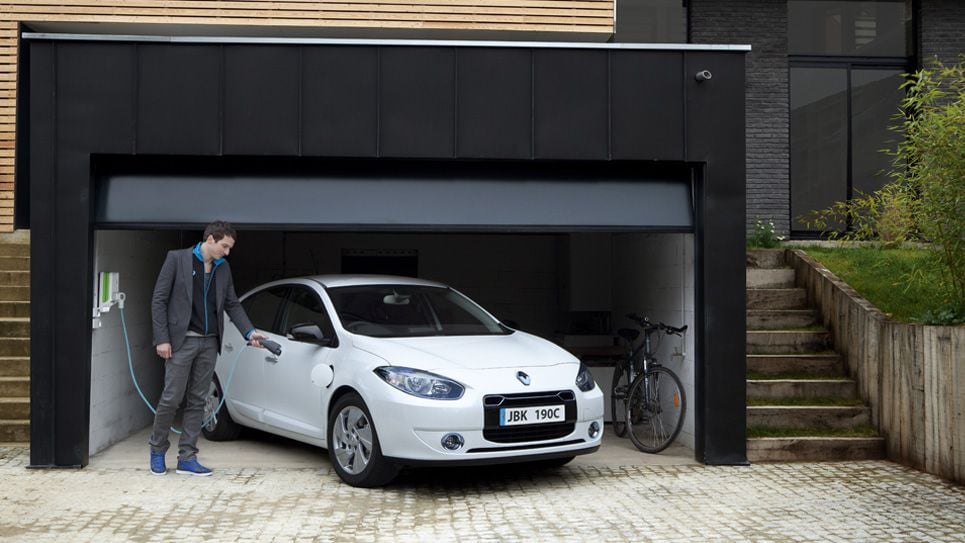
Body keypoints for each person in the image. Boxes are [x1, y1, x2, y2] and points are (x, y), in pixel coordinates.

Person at [149, 220, 266, 476]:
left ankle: (187, 458)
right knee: (171, 398)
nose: (227, 252)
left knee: (198, 400)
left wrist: (249, 331)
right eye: (224, 246)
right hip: (181, 341)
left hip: (210, 341)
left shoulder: (223, 268)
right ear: (210, 239)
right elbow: (159, 300)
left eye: (230, 248)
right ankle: (157, 451)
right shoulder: (176, 259)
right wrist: (162, 338)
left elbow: (232, 303)